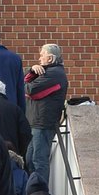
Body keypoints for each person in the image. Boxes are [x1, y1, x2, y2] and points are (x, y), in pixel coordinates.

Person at [24, 44, 69, 185]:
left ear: (50, 58)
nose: (39, 58)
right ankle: (34, 193)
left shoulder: (54, 74)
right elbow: (25, 82)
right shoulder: (47, 72)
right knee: (30, 159)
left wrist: (27, 79)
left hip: (43, 124)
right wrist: (31, 71)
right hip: (36, 122)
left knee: (39, 160)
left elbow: (30, 91)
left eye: (42, 55)